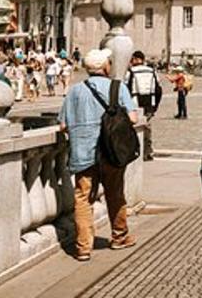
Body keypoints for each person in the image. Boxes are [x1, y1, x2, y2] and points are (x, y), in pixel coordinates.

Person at [58, 49, 139, 261]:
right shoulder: (117, 87)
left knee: (83, 198)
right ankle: (119, 236)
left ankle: (83, 247)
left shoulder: (74, 91)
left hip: (82, 153)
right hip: (111, 152)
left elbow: (63, 125)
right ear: (105, 67)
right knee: (115, 193)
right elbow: (132, 118)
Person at [125, 50, 163, 161]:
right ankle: (148, 152)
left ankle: (134, 151)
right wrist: (155, 106)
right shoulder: (152, 71)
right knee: (147, 128)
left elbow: (125, 89)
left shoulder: (131, 71)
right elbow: (158, 90)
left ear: (137, 59)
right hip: (149, 103)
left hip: (134, 103)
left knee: (133, 128)